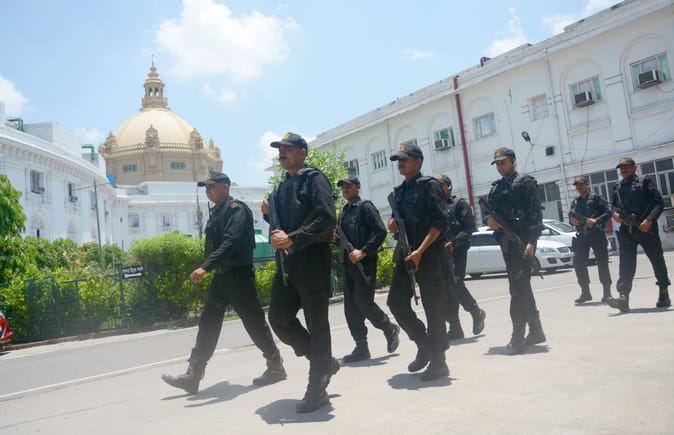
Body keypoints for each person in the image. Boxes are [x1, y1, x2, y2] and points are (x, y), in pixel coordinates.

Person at [162, 170, 286, 395]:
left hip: (238, 276)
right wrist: (211, 266)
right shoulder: (217, 212)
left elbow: (231, 241)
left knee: (254, 322)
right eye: (206, 188)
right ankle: (193, 374)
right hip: (222, 276)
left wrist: (205, 267)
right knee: (208, 322)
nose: (209, 191)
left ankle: (275, 365)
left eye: (212, 186)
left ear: (225, 187)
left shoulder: (237, 210)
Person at [261, 132, 339, 413]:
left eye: (288, 149)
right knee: (278, 318)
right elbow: (281, 225)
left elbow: (327, 219)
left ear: (303, 152)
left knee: (317, 324)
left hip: (311, 260)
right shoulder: (281, 187)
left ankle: (317, 387)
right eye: (280, 150)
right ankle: (324, 362)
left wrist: (292, 238)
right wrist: (268, 215)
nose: (282, 153)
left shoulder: (314, 179)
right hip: (287, 264)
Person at [387, 143, 451, 381]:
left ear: (418, 161)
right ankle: (424, 344)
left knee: (433, 308)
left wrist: (421, 251)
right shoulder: (399, 191)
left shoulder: (430, 186)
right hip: (406, 253)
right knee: (395, 302)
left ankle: (439, 362)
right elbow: (398, 221)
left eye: (405, 159)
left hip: (430, 254)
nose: (400, 163)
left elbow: (439, 222)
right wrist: (392, 224)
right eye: (399, 160)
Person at [484, 147, 546, 355]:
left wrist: (532, 242)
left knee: (517, 287)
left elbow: (536, 215)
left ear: (513, 161)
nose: (500, 166)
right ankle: (536, 330)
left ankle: (518, 336)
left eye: (503, 162)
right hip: (506, 244)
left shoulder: (526, 183)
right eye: (497, 164)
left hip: (523, 242)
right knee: (521, 286)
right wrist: (489, 221)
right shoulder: (496, 188)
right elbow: (488, 214)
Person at [333, 176, 400, 363]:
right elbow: (343, 240)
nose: (345, 189)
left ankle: (389, 328)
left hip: (365, 263)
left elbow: (380, 232)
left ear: (358, 187)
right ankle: (361, 347)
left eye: (348, 186)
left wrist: (363, 252)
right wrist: (336, 240)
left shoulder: (365, 207)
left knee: (364, 303)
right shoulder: (344, 211)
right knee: (351, 308)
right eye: (343, 187)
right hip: (348, 264)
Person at [607, 157, 671, 312]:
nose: (623, 170)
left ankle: (664, 292)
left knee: (656, 260)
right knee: (626, 264)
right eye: (621, 168)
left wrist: (649, 219)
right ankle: (623, 297)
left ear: (634, 168)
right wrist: (615, 214)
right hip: (627, 230)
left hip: (646, 228)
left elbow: (658, 203)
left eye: (626, 166)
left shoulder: (645, 182)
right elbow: (612, 206)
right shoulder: (617, 187)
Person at [436, 175, 486, 341]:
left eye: (441, 185)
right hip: (440, 253)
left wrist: (454, 243)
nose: (438, 189)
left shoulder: (459, 204)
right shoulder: (435, 207)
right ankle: (455, 327)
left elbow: (469, 227)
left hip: (457, 251)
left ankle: (476, 312)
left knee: (455, 284)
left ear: (449, 186)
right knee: (445, 289)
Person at [568, 175, 613, 304]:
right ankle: (585, 292)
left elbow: (608, 212)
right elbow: (571, 215)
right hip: (582, 235)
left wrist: (595, 220)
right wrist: (572, 221)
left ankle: (607, 293)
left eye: (581, 184)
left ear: (587, 185)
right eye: (577, 185)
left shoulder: (596, 198)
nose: (579, 187)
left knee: (602, 262)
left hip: (596, 234)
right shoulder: (575, 201)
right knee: (578, 263)